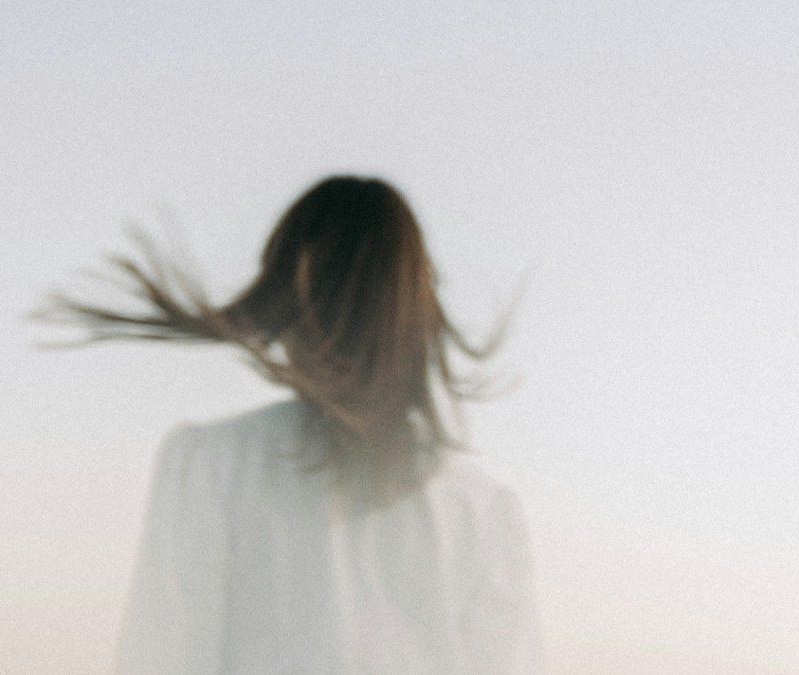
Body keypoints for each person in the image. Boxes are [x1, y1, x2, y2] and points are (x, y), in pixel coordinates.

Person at [32, 176, 544, 673]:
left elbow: (166, 660)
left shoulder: (213, 466)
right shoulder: (481, 510)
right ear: (414, 310)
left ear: (288, 298)